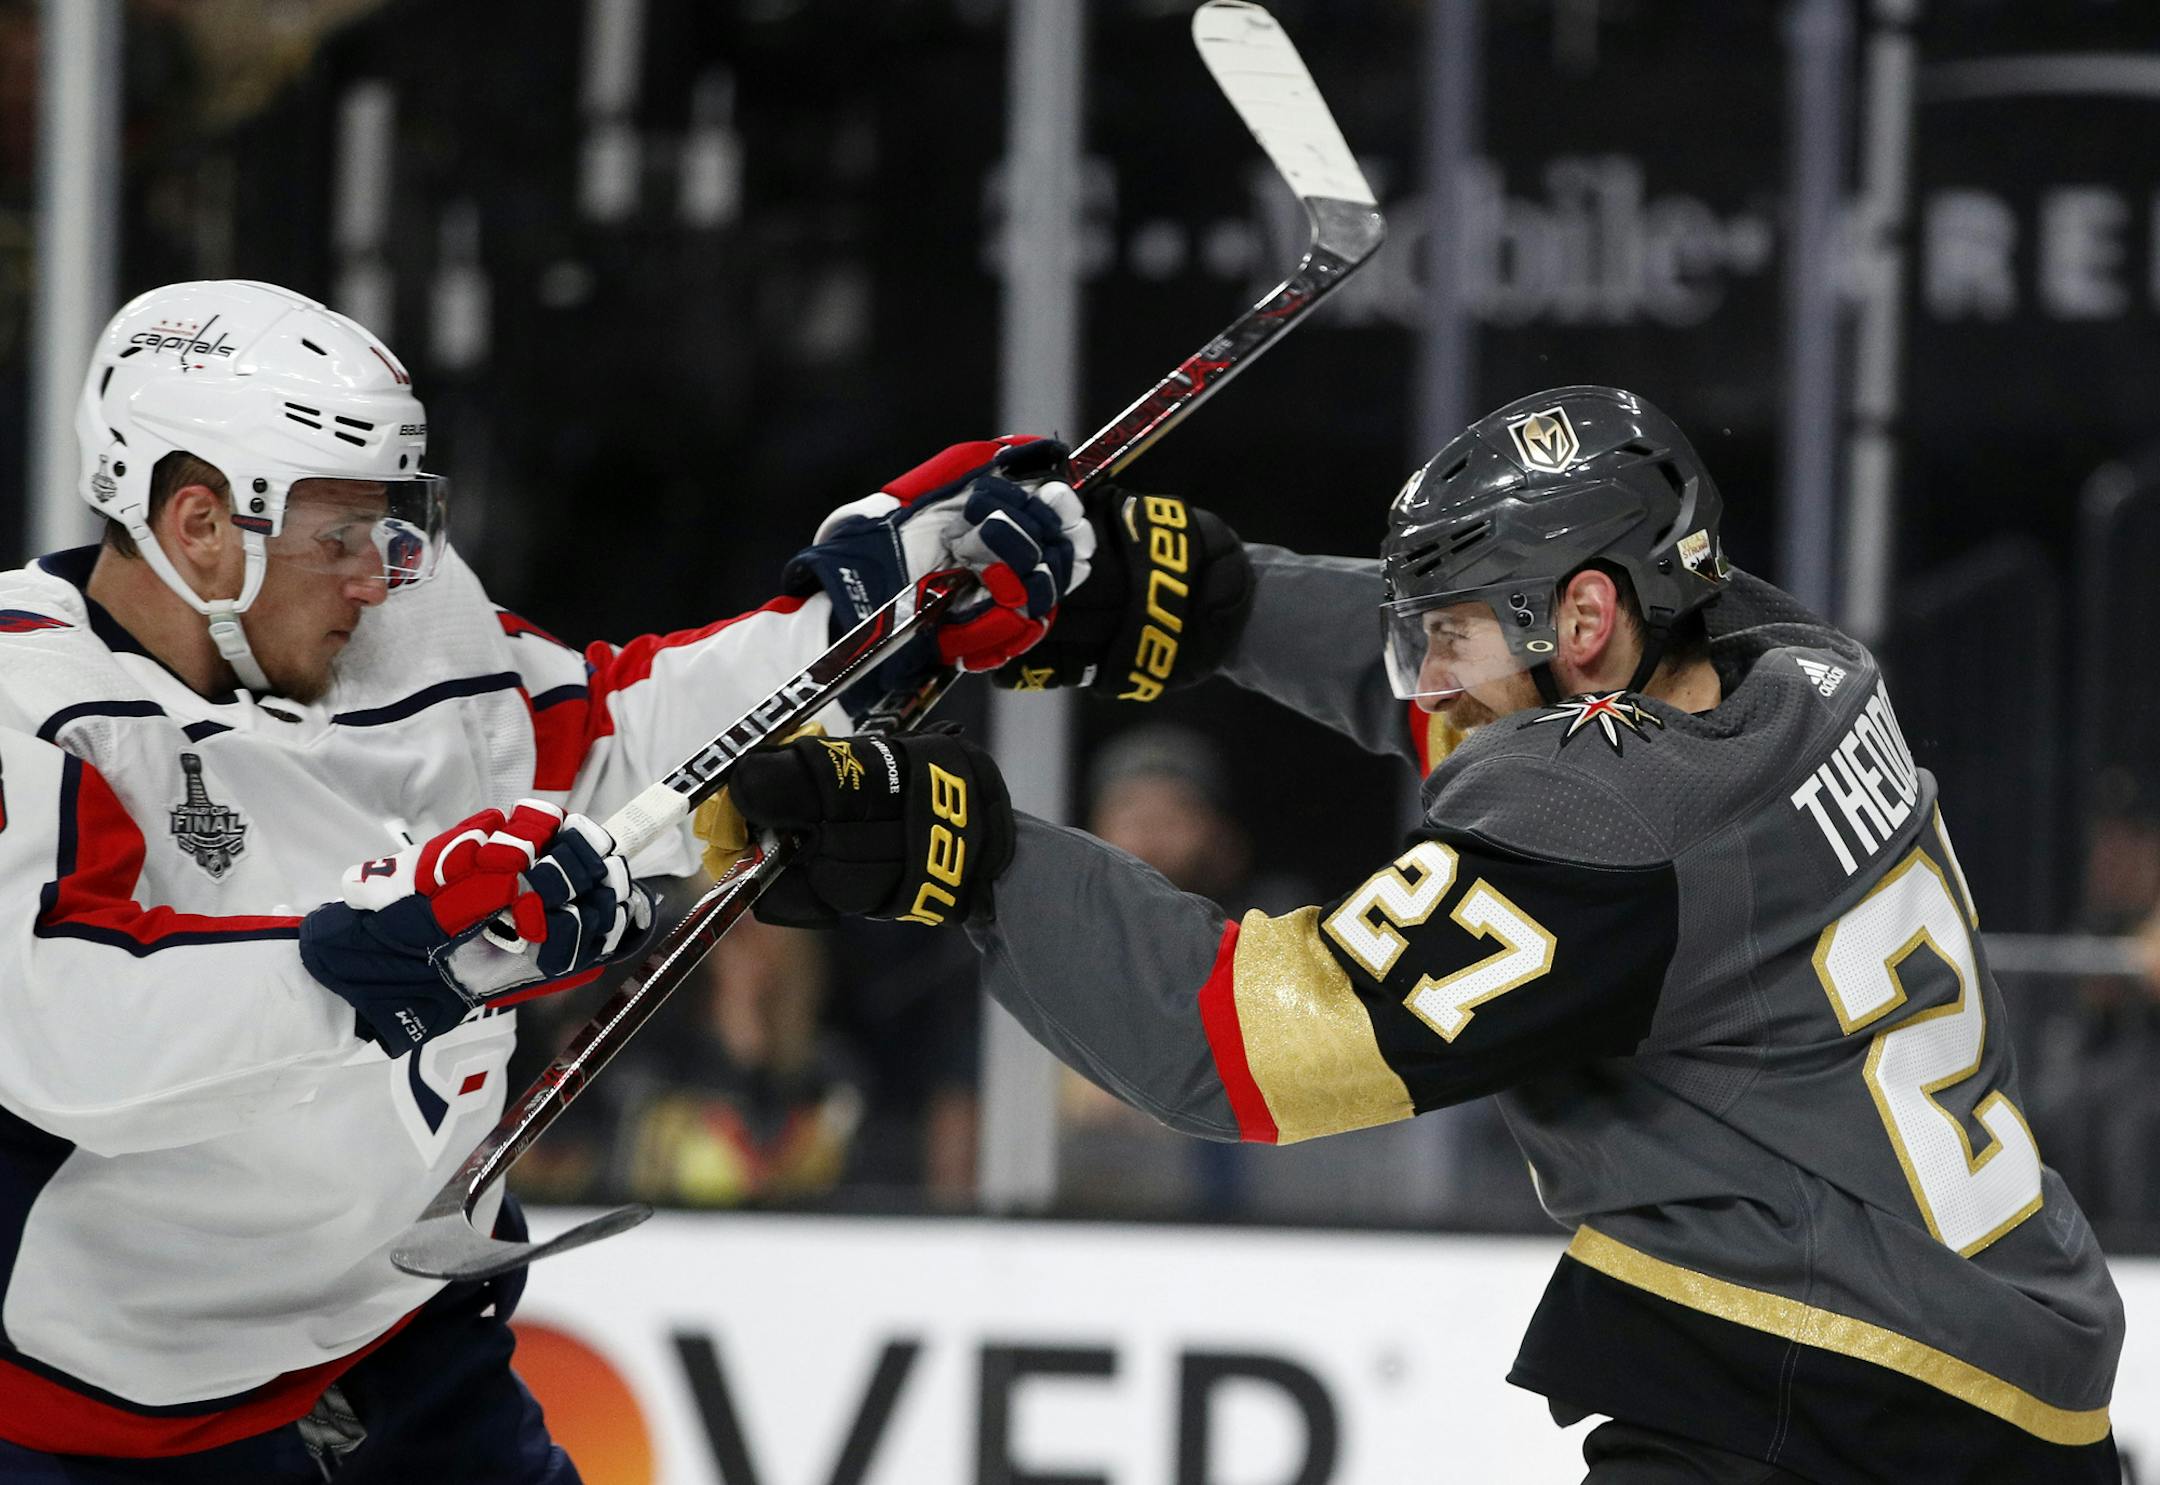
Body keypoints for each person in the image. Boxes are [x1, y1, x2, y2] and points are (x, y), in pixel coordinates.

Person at [718, 386, 2125, 1482]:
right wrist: (1217, 600)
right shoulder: (1789, 663)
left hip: (1837, 1401)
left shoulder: (1608, 832)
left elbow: (1229, 1041)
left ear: (1583, 618)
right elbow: (1502, 711)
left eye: (1449, 630)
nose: (1426, 677)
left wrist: (961, 855)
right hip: (2015, 1380)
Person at [0, 279, 1087, 1482]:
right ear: (198, 523)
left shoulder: (402, 629)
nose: (379, 573)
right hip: (106, 1405)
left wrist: (854, 630)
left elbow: (617, 745)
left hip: (392, 1325)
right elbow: (66, 1033)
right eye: (338, 536)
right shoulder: (35, 707)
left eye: (392, 526)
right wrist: (387, 958)